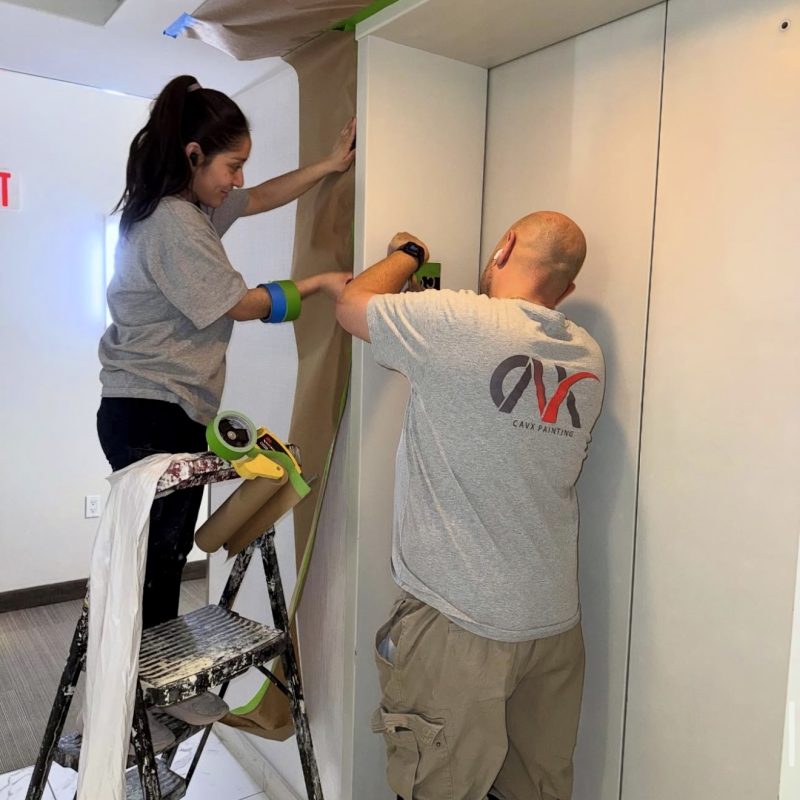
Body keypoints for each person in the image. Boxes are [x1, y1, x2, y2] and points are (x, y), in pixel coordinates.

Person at [335, 213, 605, 800]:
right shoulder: (586, 355)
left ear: (505, 246)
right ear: (567, 290)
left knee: (437, 788)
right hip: (553, 627)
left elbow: (350, 304)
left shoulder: (457, 322)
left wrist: (407, 254)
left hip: (462, 622)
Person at [97, 74, 354, 630]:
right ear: (194, 155)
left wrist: (329, 165)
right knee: (157, 566)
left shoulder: (187, 207)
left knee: (160, 561)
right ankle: (148, 676)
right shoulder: (173, 221)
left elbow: (259, 198)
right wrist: (319, 284)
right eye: (232, 165)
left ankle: (149, 670)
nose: (238, 179)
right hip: (151, 412)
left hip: (157, 408)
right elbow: (239, 304)